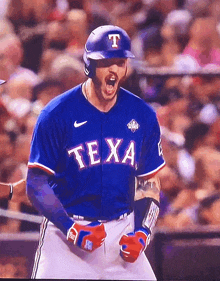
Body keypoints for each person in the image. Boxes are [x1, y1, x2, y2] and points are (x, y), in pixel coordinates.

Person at [26, 25, 165, 280]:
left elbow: (149, 181)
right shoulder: (56, 114)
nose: (114, 70)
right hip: (66, 237)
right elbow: (35, 183)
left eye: (120, 62)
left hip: (121, 234)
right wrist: (70, 228)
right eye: (106, 62)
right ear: (89, 65)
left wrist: (142, 232)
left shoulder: (142, 115)